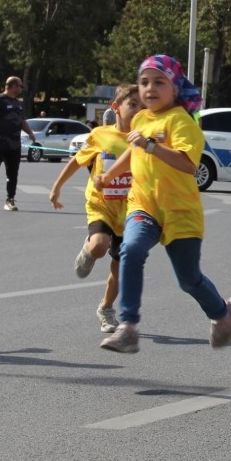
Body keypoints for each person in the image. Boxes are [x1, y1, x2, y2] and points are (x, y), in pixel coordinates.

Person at [95, 55, 231, 354]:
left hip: (180, 211)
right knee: (131, 249)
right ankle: (128, 328)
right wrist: (110, 174)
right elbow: (132, 151)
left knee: (188, 281)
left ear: (174, 88)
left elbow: (188, 164)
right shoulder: (139, 119)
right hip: (144, 206)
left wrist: (151, 145)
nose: (150, 88)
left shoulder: (181, 122)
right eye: (144, 82)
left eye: (159, 82)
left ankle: (222, 313)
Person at [49, 84, 144, 333]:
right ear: (116, 108)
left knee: (121, 266)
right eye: (132, 104)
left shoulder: (145, 140)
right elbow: (77, 162)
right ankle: (89, 248)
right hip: (101, 204)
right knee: (99, 245)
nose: (137, 110)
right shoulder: (100, 135)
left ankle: (106, 308)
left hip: (131, 210)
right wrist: (57, 187)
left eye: (142, 106)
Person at [0, 76, 39, 212]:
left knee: (12, 174)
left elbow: (22, 121)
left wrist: (30, 133)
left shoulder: (18, 103)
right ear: (13, 86)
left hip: (14, 145)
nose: (22, 88)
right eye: (20, 86)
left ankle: (10, 200)